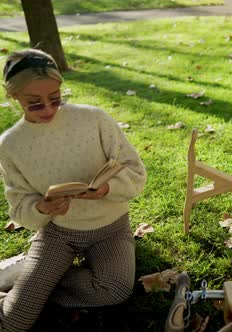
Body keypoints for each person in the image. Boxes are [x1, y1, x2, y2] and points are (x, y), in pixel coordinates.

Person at [0, 48, 147, 331]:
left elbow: (136, 173)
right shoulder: (10, 145)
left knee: (114, 290)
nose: (48, 109)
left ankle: (29, 277)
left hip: (112, 227)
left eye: (55, 98)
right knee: (14, 323)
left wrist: (106, 189)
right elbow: (20, 208)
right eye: (35, 103)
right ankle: (32, 280)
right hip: (58, 233)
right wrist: (40, 208)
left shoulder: (95, 119)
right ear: (13, 95)